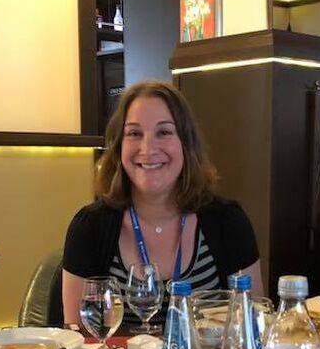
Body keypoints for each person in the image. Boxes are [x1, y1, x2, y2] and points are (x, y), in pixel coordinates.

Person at [61, 80, 263, 330]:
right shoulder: (89, 228)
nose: (148, 149)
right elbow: (77, 339)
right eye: (134, 134)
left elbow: (252, 330)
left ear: (185, 144)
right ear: (119, 146)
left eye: (164, 132)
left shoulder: (229, 221)